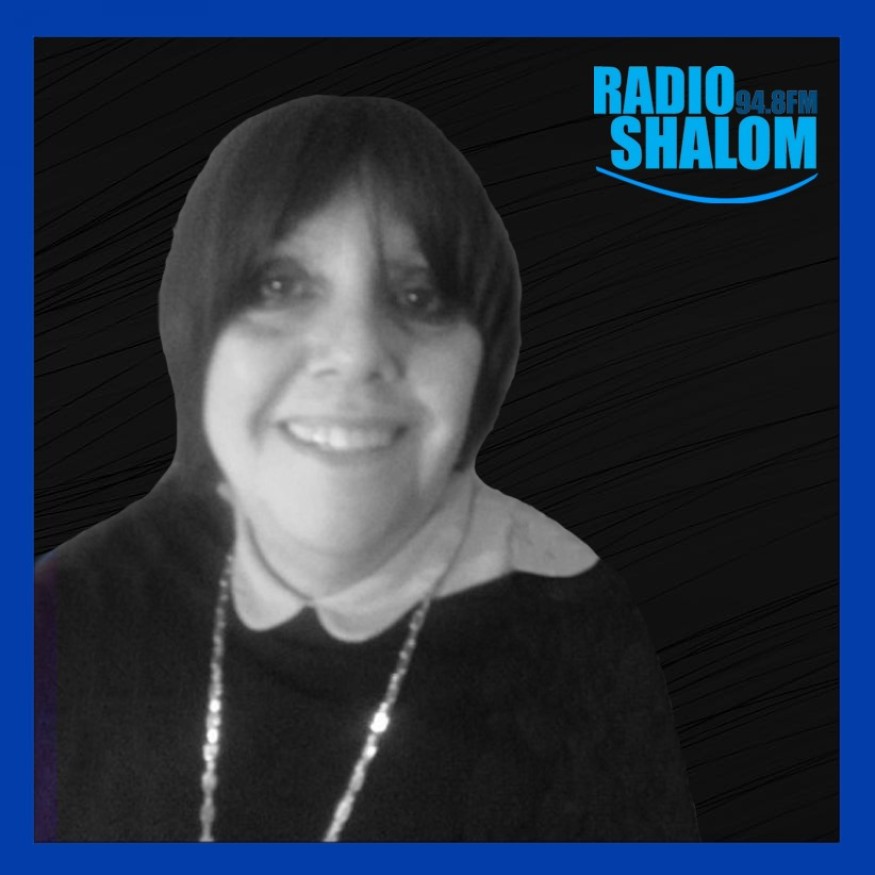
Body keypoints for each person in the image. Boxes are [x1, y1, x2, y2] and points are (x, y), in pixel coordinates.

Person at [34, 95, 699, 842]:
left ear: (487, 358)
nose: (356, 352)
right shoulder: (59, 615)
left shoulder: (575, 633)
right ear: (195, 326)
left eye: (418, 295)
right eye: (279, 284)